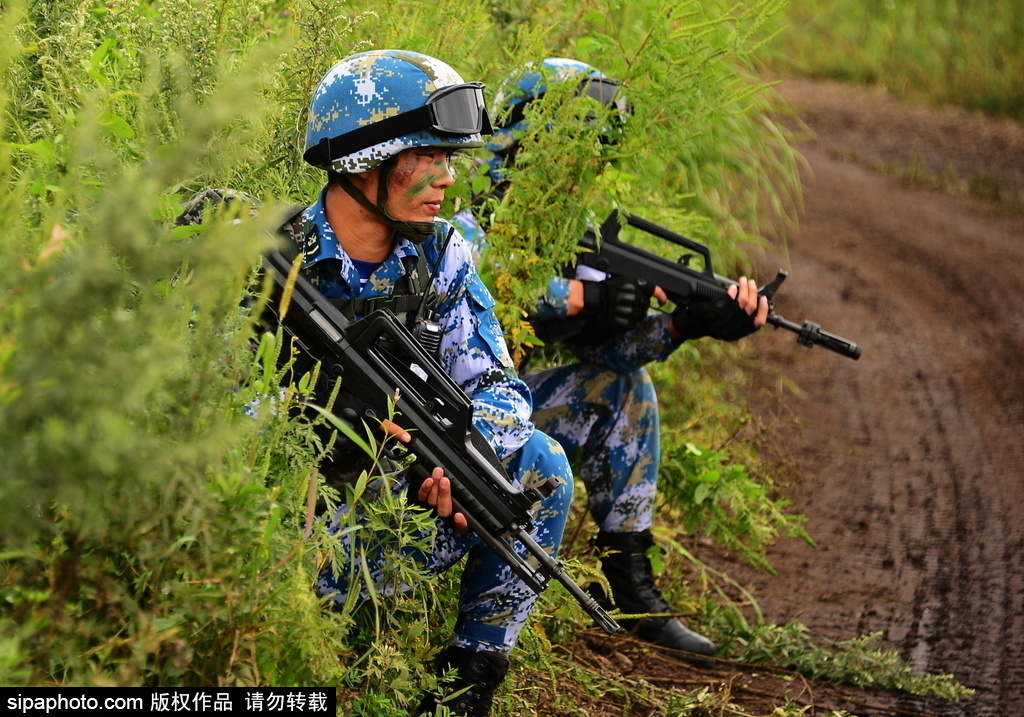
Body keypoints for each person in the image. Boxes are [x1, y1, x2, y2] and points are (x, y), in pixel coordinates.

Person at [453, 57, 769, 662]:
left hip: (509, 412)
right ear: (531, 139)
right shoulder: (467, 206)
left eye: (594, 156)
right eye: (572, 151)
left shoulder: (572, 229)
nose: (583, 171)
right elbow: (474, 281)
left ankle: (631, 586)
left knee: (625, 387)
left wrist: (683, 324)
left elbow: (609, 357)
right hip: (444, 422)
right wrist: (577, 296)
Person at [295, 50, 575, 717]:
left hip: (402, 509)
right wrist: (323, 425)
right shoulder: (276, 261)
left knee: (540, 466)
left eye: (451, 161)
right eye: (430, 157)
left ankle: (464, 684)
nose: (447, 179)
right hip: (294, 526)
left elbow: (502, 387)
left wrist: (450, 452)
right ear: (366, 158)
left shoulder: (439, 251)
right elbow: (212, 413)